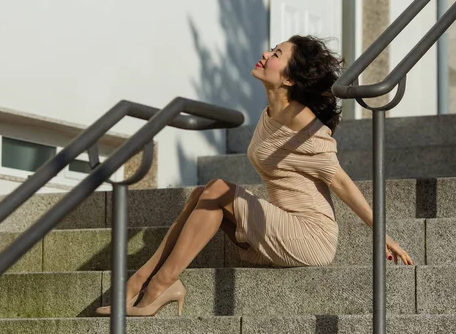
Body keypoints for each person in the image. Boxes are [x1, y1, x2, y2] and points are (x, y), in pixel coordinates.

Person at [96, 34, 414, 317]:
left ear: (289, 79)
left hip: (309, 235)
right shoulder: (270, 111)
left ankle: (158, 286)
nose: (266, 54)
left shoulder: (303, 121)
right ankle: (140, 282)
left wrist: (381, 233)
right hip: (281, 224)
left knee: (218, 190)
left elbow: (340, 181)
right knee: (202, 194)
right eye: (272, 50)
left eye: (276, 54)